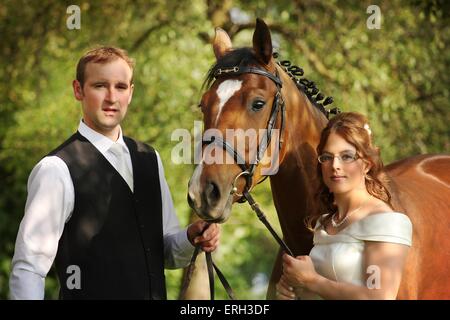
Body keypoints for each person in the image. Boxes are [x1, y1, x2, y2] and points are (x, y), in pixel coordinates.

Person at [9, 46, 220, 300]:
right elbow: (28, 268)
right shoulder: (56, 169)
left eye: (120, 87)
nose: (111, 97)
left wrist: (190, 237)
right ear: (78, 90)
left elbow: (167, 253)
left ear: (130, 93)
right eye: (100, 86)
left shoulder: (149, 158)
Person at [276, 112, 412, 300]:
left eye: (347, 156)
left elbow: (378, 297)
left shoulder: (384, 221)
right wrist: (294, 290)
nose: (335, 165)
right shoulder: (324, 223)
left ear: (366, 164)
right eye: (327, 157)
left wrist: (310, 281)